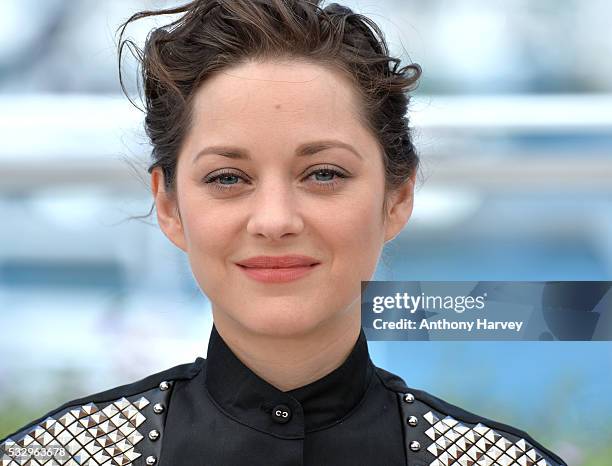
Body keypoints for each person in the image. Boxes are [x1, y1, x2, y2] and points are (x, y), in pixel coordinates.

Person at [0, 1, 568, 465]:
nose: (275, 221)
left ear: (397, 197)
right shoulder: (52, 457)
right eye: (227, 177)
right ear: (168, 205)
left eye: (324, 174)